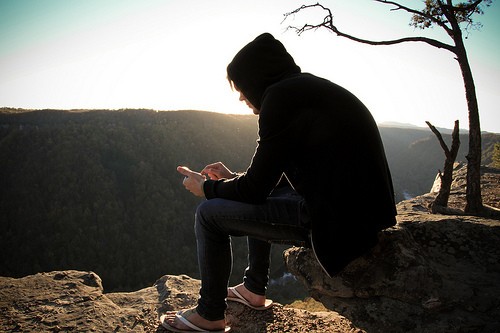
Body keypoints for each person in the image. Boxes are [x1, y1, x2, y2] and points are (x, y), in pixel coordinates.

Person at [161, 32, 397, 333]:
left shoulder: (280, 98)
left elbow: (255, 190)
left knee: (208, 215)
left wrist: (207, 189)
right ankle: (253, 290)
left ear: (255, 77)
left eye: (240, 86)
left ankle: (209, 314)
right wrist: (234, 180)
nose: (240, 96)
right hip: (354, 211)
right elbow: (266, 181)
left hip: (336, 220)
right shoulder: (307, 90)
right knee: (256, 195)